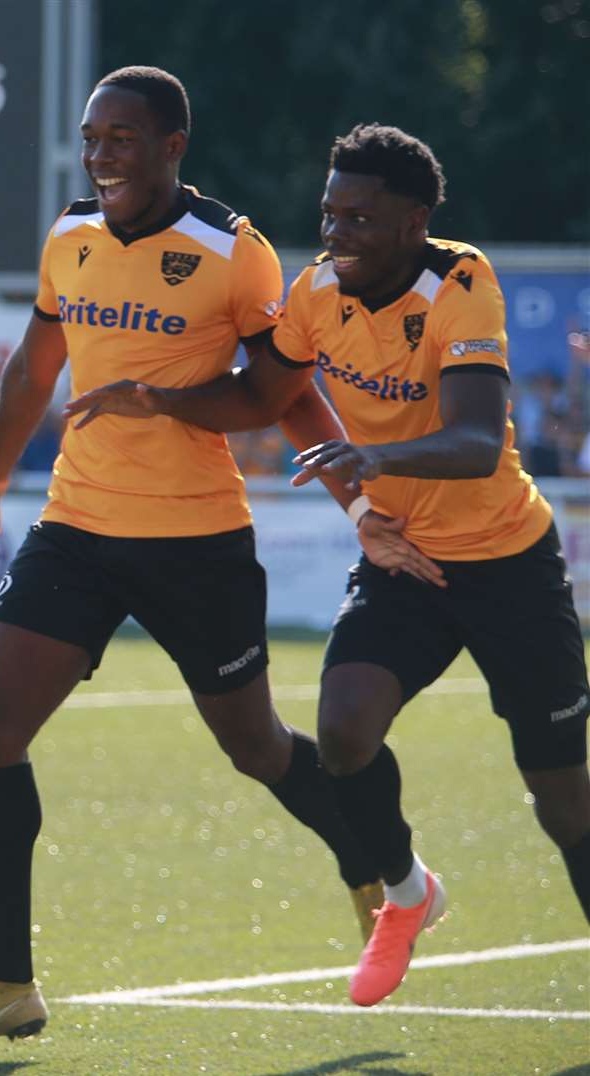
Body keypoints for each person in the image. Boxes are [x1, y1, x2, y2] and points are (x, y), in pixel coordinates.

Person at [0, 67, 438, 1051]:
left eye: (121, 138)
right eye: (90, 136)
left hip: (196, 541)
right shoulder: (67, 237)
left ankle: (372, 868)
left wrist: (359, 503)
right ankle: (6, 986)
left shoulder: (233, 253)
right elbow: (36, 362)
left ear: (170, 147)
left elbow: (284, 392)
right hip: (76, 525)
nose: (100, 154)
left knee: (255, 748)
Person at [66, 123, 589, 1007]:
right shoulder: (314, 293)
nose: (338, 234)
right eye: (329, 215)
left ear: (416, 220)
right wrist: (160, 399)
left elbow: (471, 442)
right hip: (402, 561)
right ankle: (406, 891)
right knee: (344, 734)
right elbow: (261, 396)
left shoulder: (462, 281)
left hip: (508, 565)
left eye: (360, 219)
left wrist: (373, 462)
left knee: (563, 802)